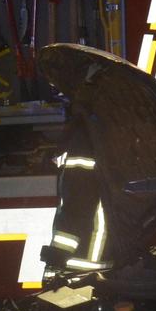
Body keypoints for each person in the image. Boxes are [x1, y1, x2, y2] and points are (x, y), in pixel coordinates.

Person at [43, 109, 109, 279]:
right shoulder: (98, 134)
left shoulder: (84, 142)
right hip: (99, 261)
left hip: (82, 266)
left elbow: (77, 203)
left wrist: (58, 253)